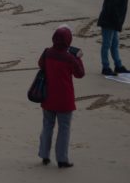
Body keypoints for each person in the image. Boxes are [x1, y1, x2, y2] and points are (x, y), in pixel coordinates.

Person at [37, 26, 85, 169]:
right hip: (64, 99)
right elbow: (80, 74)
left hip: (48, 96)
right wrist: (78, 58)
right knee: (64, 128)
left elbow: (40, 65)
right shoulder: (69, 58)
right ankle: (62, 159)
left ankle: (44, 155)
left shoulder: (47, 53)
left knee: (47, 126)